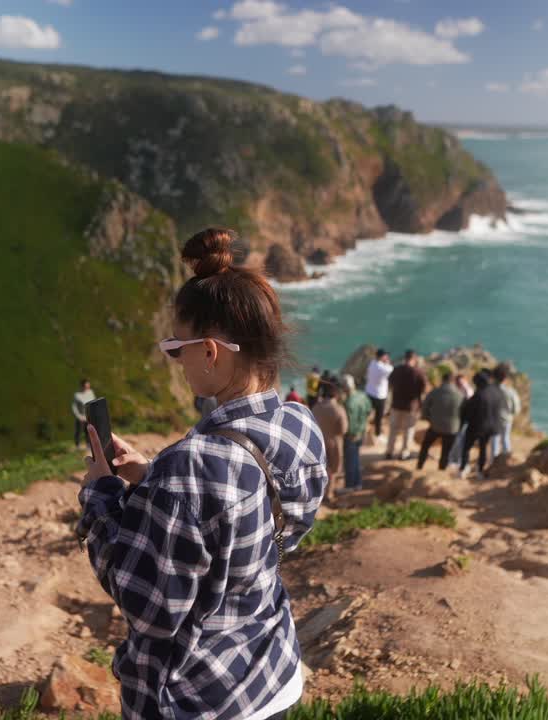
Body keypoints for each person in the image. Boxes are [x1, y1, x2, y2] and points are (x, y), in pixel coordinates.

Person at [77, 227, 327, 719]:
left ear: (209, 351)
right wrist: (151, 479)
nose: (176, 360)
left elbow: (144, 601)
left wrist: (101, 494)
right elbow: (264, 527)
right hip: (271, 672)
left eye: (177, 347)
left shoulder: (191, 468)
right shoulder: (299, 424)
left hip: (199, 697)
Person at [459, 371, 506, 478]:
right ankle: (480, 471)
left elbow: (467, 411)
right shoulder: (497, 391)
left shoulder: (479, 394)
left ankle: (463, 468)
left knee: (466, 447)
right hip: (492, 426)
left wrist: (463, 422)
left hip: (476, 426)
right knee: (483, 448)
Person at [385, 350, 426, 460]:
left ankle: (389, 451)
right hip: (411, 407)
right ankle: (404, 453)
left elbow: (390, 383)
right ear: (414, 358)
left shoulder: (396, 369)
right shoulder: (418, 372)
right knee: (408, 430)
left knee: (393, 429)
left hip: (396, 404)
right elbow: (423, 389)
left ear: (405, 357)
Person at [417, 371, 462, 471]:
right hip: (452, 428)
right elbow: (464, 412)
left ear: (443, 380)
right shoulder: (460, 395)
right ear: (453, 381)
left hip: (435, 426)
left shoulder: (435, 392)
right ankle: (441, 470)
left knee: (425, 446)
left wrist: (429, 419)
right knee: (446, 451)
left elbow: (425, 407)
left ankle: (419, 466)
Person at [313, 380, 348, 490]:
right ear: (336, 394)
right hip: (334, 442)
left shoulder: (316, 408)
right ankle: (329, 493)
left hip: (318, 442)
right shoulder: (338, 409)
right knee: (333, 470)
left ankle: (320, 492)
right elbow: (344, 429)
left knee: (321, 468)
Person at [341, 375, 369, 490]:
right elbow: (368, 410)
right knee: (356, 459)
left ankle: (349, 486)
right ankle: (358, 484)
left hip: (352, 435)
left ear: (345, 387)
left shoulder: (348, 402)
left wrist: (348, 434)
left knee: (350, 462)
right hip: (361, 433)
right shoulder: (362, 396)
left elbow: (350, 423)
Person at [490, 364, 521, 458]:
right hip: (507, 419)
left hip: (494, 419)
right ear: (505, 377)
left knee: (494, 441)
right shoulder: (510, 392)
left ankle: (493, 463)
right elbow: (516, 409)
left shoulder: (490, 390)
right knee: (505, 440)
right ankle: (506, 462)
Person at [364, 349, 392, 443]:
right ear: (382, 356)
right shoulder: (383, 368)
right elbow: (391, 370)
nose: (387, 357)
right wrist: (387, 363)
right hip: (380, 395)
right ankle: (378, 434)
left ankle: (363, 432)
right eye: (386, 356)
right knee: (378, 417)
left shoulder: (372, 363)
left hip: (369, 392)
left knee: (366, 414)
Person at [447, 374, 474, 469]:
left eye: (462, 382)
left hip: (465, 419)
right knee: (455, 439)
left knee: (460, 440)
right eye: (459, 382)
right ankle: (452, 459)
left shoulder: (468, 391)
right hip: (455, 419)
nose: (461, 384)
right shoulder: (454, 390)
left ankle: (457, 460)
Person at [71, 379, 95, 448]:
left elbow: (93, 402)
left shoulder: (90, 392)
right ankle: (77, 445)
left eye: (88, 386)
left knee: (88, 430)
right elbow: (74, 407)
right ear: (82, 386)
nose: (87, 387)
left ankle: (88, 444)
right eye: (86, 386)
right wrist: (79, 416)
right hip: (80, 416)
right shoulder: (77, 395)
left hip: (89, 415)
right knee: (78, 431)